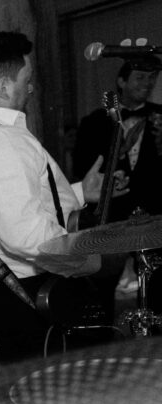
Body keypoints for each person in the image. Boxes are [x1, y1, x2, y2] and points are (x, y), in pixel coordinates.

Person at [0, 32, 109, 359]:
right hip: (27, 291)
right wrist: (88, 256)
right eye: (26, 80)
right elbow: (26, 236)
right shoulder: (0, 140)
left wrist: (78, 192)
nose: (30, 88)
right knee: (57, 389)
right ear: (3, 87)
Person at [74, 55, 162, 316]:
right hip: (111, 214)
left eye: (152, 78)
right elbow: (83, 168)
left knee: (157, 284)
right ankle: (102, 343)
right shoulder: (94, 122)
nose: (147, 83)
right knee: (101, 286)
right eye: (140, 77)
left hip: (154, 212)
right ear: (121, 81)